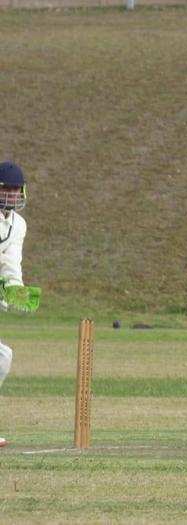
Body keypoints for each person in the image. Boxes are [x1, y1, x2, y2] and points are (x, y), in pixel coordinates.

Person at [0, 162, 30, 449]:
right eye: (5, 188)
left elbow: (11, 263)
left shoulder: (17, 225)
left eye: (15, 189)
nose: (11, 194)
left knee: (2, 357)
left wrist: (17, 292)